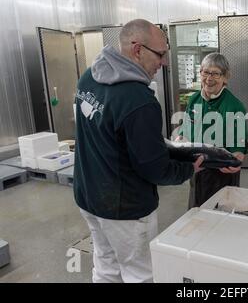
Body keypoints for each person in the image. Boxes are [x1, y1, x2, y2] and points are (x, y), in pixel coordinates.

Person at [73, 19, 203, 283]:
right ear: (136, 49)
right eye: (161, 54)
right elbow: (154, 168)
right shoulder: (139, 100)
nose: (164, 62)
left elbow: (105, 134)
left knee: (106, 266)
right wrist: (189, 169)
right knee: (139, 274)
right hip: (125, 207)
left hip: (88, 195)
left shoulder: (90, 75)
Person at [179, 53, 248, 208]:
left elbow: (239, 146)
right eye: (205, 72)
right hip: (196, 170)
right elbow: (185, 130)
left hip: (222, 175)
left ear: (225, 77)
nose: (209, 78)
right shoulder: (194, 99)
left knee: (221, 216)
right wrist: (180, 139)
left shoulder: (234, 106)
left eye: (216, 73)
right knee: (196, 210)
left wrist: (237, 158)